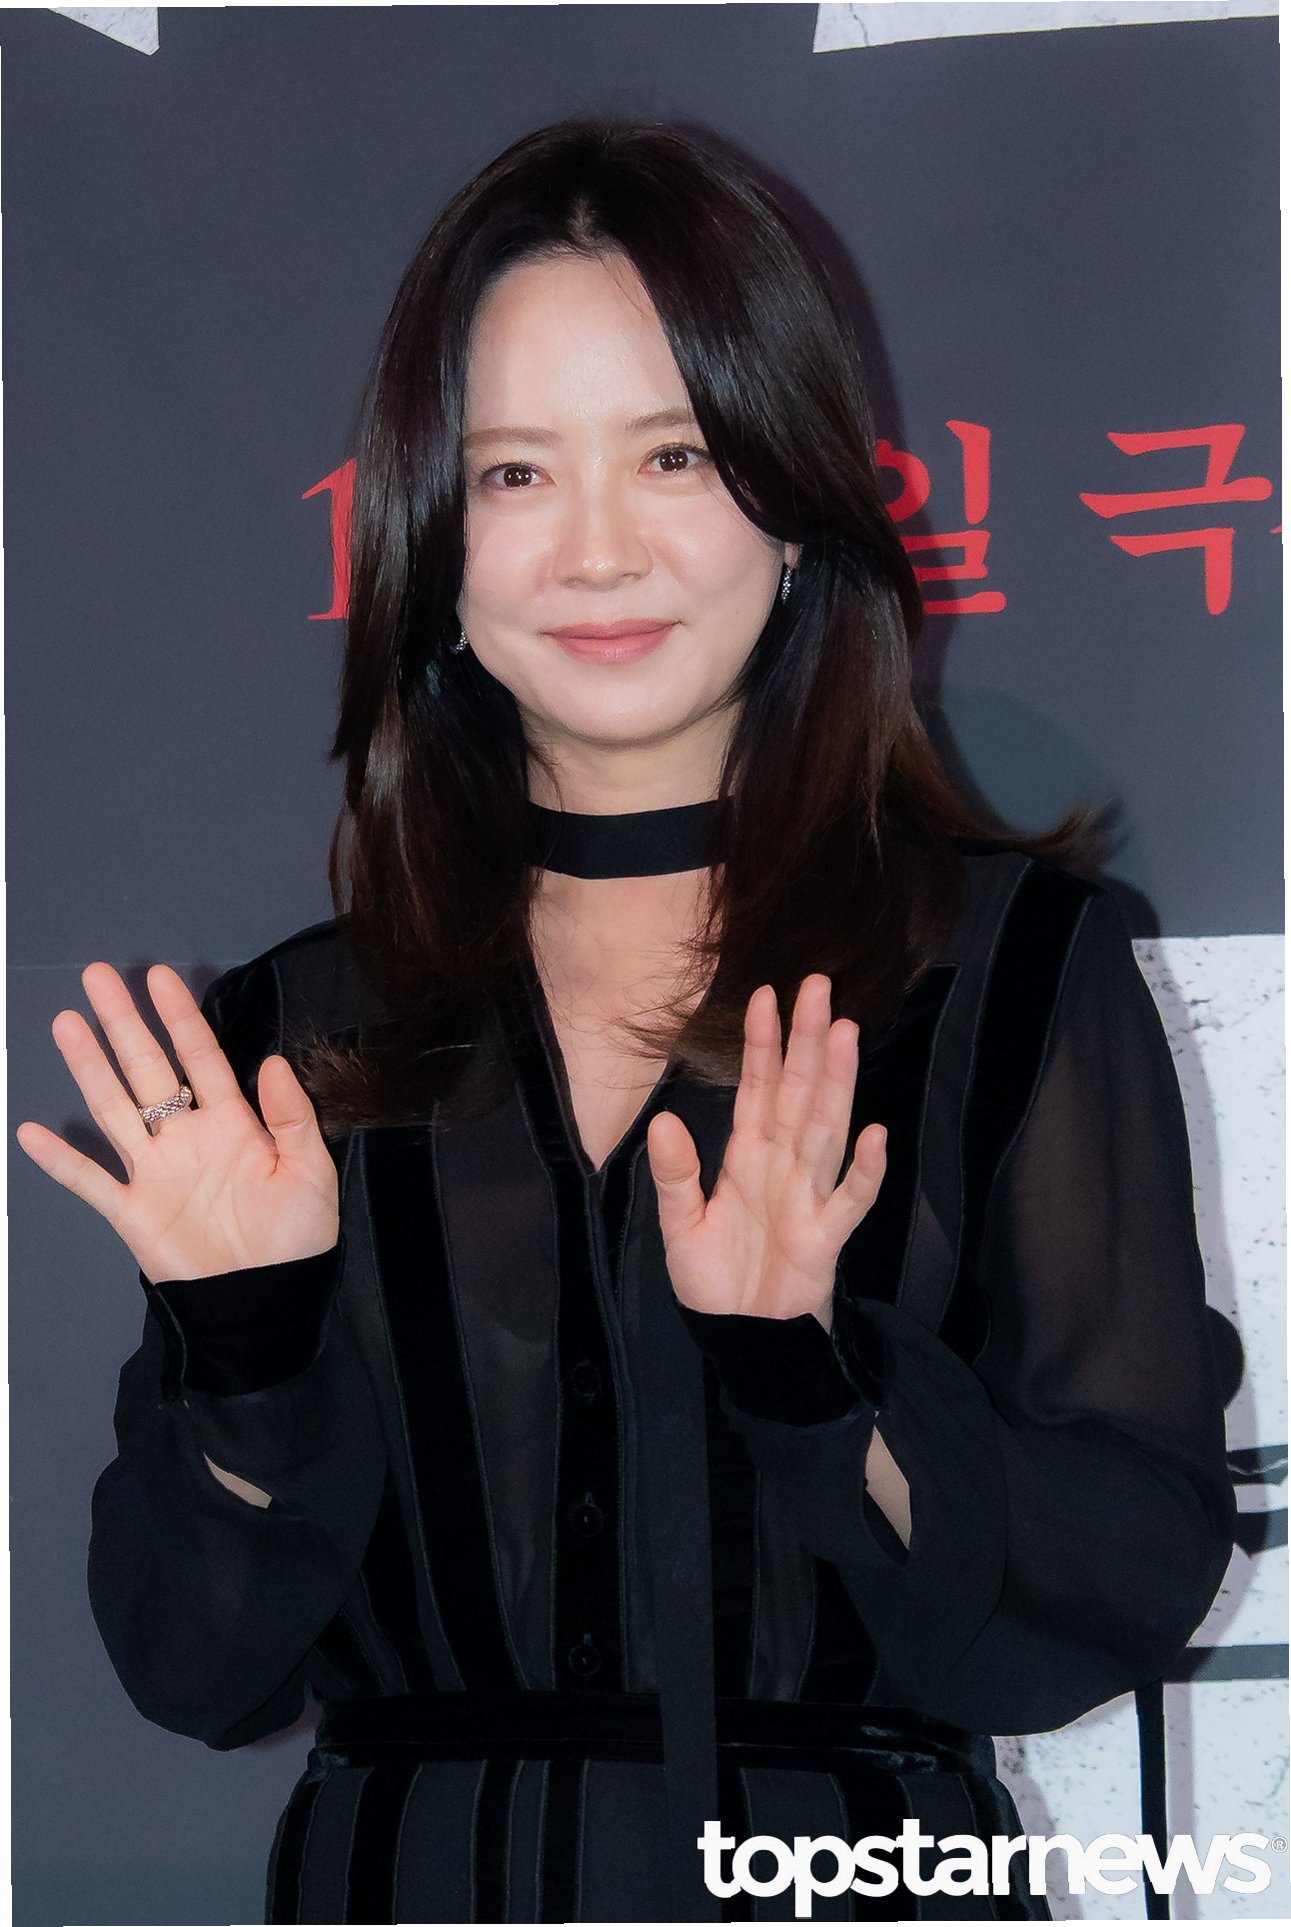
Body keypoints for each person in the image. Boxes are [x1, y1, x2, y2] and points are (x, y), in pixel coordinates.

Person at [18, 117, 1235, 1925]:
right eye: (515, 474)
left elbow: (1128, 1563)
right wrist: (249, 1352)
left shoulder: (1014, 971)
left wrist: (815, 1381)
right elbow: (194, 1667)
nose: (596, 552)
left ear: (797, 500)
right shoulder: (290, 1039)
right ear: (433, 543)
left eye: (675, 454)